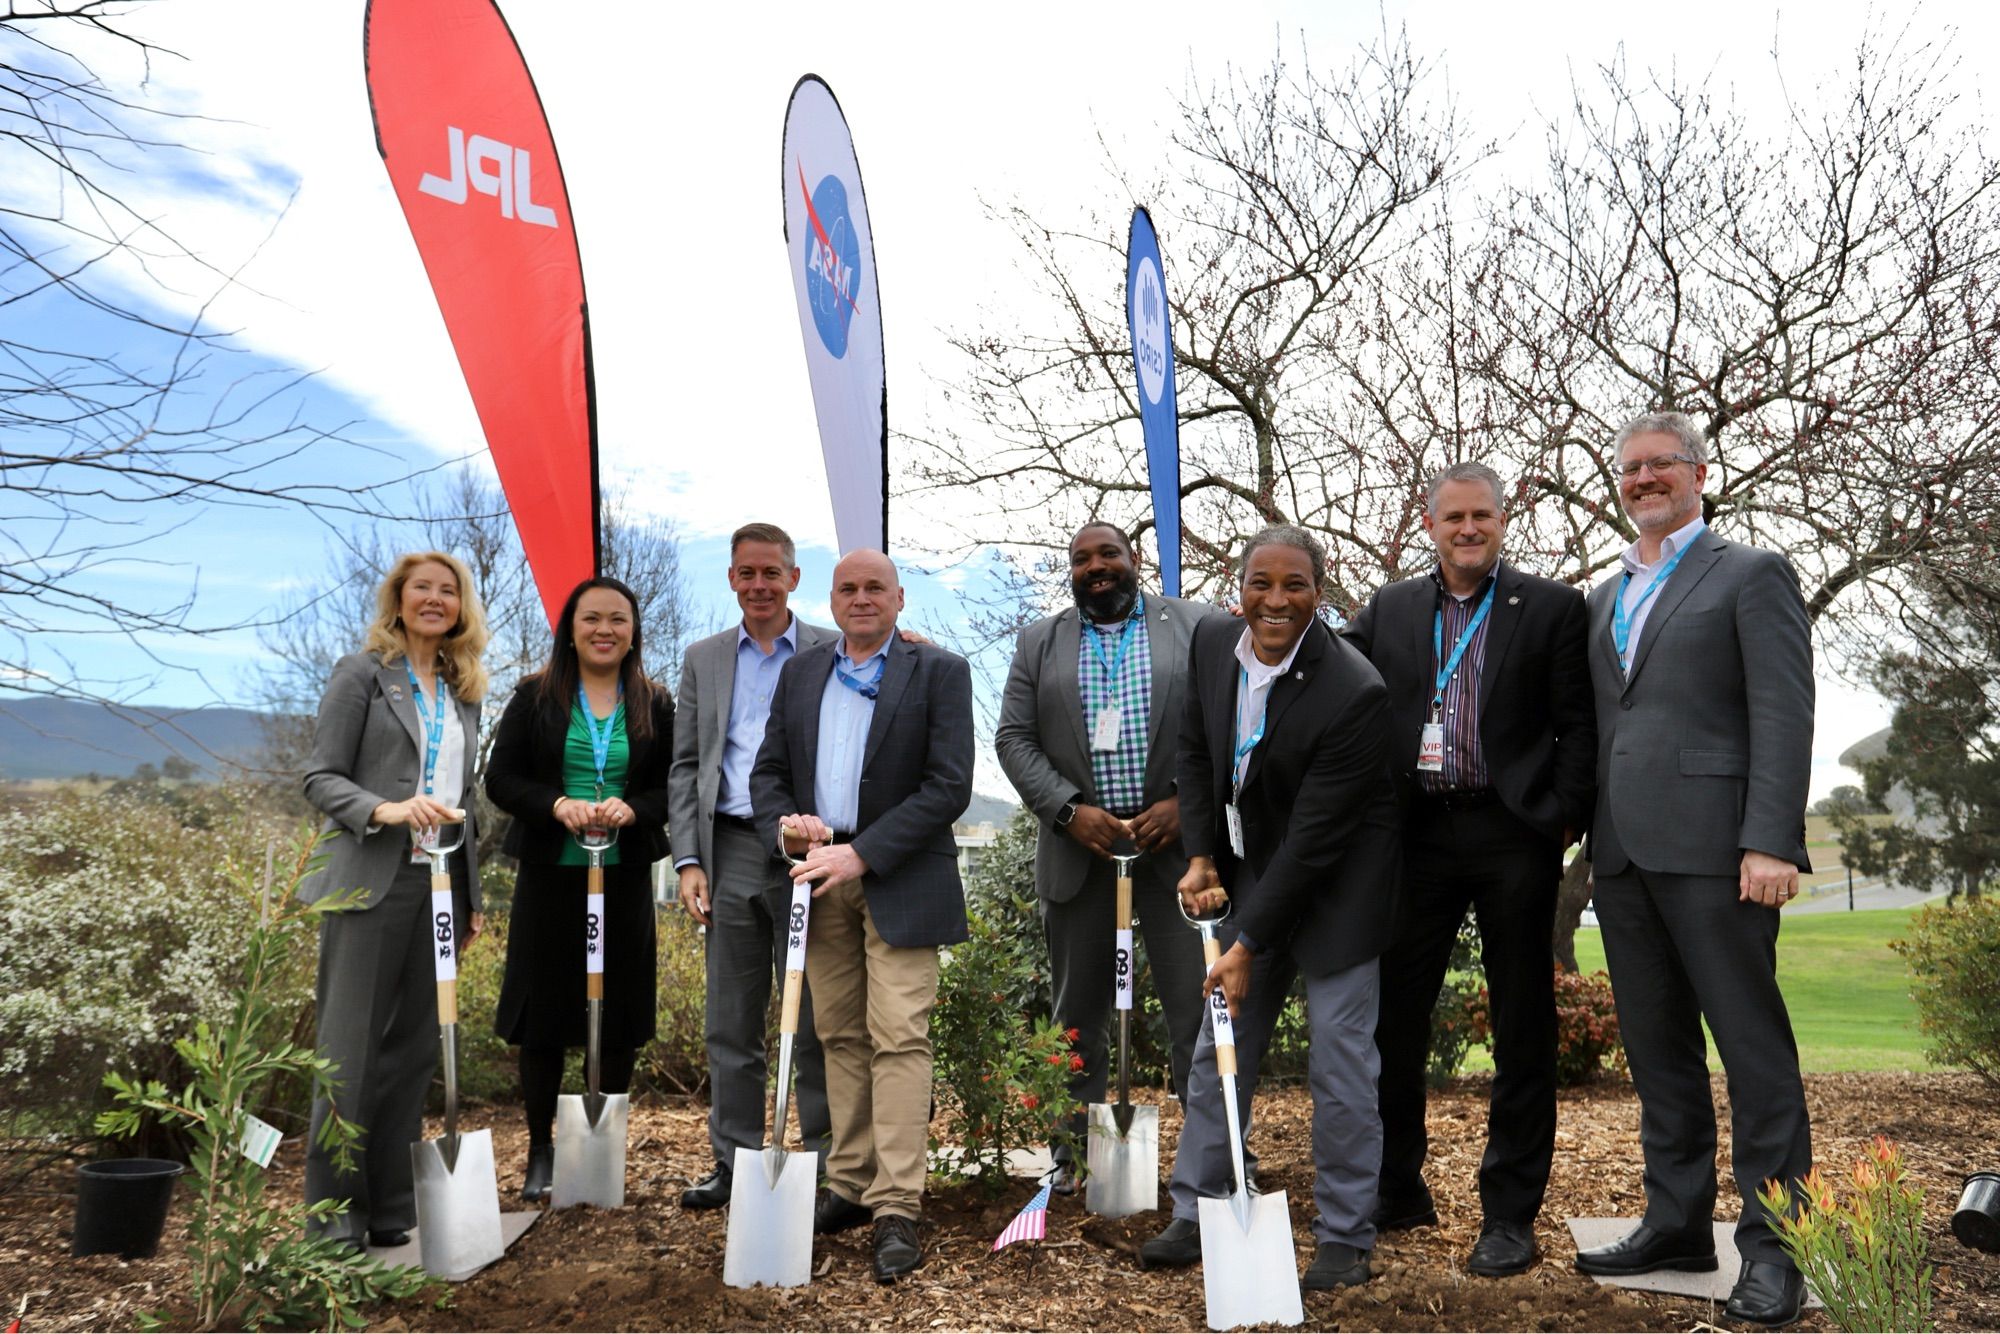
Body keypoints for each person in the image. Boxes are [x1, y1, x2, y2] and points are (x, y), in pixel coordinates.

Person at [1574, 411, 1814, 1327]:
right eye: (1630, 469)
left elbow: (1783, 711)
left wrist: (1770, 840)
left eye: (1660, 465)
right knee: (1660, 1055)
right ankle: (1676, 1223)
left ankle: (1778, 1248)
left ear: (1700, 472)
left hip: (1722, 857)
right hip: (1625, 859)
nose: (1643, 480)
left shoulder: (1750, 574)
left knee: (1753, 1053)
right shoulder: (1603, 596)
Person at [1343, 462, 1595, 1277]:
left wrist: (1559, 816)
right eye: (1453, 517)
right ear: (1429, 524)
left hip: (1511, 831)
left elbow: (1578, 727)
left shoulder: (1553, 607)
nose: (1468, 529)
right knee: (1394, 1020)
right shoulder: (1390, 608)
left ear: (1502, 519)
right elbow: (1316, 660)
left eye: (1482, 515)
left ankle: (1510, 1215)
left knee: (1522, 1024)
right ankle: (1397, 1187)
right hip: (1416, 836)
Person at [1140, 525, 1400, 1292]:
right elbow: (1195, 750)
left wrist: (1246, 945)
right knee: (1219, 1047)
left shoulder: (1354, 690)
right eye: (1262, 583)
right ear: (1240, 586)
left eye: (1295, 586)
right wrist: (1198, 856)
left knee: (1341, 1063)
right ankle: (1198, 1206)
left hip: (1339, 889)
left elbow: (1317, 841)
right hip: (1256, 872)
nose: (1276, 601)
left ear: (1320, 593)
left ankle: (1348, 1233)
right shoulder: (1215, 642)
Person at [751, 549, 974, 1284]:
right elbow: (769, 773)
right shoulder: (803, 671)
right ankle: (849, 1182)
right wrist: (787, 827)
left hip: (900, 878)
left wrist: (863, 854)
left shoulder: (938, 673)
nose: (861, 598)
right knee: (837, 1035)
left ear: (900, 598)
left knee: (900, 1038)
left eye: (875, 587)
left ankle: (897, 1206)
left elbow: (948, 788)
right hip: (818, 880)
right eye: (847, 588)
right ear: (832, 598)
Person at [994, 521, 1219, 1189]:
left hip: (1174, 854)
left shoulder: (1197, 627)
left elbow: (1227, 723)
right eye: (1082, 559)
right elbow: (1013, 738)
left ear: (1134, 559)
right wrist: (1066, 811)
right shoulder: (1041, 642)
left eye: (1108, 555)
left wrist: (1188, 802)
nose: (1096, 567)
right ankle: (1072, 1159)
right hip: (1081, 854)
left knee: (1196, 1012)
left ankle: (1217, 1157)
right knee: (1076, 1019)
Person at [300, 551, 490, 1254]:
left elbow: (463, 804)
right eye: (422, 589)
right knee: (347, 1055)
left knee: (412, 1052)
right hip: (367, 882)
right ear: (399, 599)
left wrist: (469, 895)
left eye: (448, 591)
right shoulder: (362, 674)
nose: (435, 599)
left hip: (436, 886)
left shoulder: (462, 689)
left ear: (461, 607)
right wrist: (384, 809)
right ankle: (332, 1216)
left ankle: (389, 1208)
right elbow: (320, 777)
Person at [486, 576, 676, 1201]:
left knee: (617, 1013)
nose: (604, 630)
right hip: (550, 878)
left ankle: (601, 1147)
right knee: (543, 1015)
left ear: (633, 632)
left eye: (618, 619)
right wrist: (557, 802)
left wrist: (633, 808)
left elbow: (673, 786)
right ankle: (541, 1151)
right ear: (570, 628)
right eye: (591, 618)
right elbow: (502, 779)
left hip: (620, 879)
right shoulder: (535, 696)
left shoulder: (655, 702)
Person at [667, 523, 834, 1209]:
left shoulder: (833, 647)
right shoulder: (704, 659)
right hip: (730, 849)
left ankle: (826, 1167)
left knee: (820, 1020)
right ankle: (734, 1164)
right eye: (746, 573)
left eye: (772, 572)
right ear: (731, 579)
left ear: (795, 578)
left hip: (813, 854)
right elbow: (683, 766)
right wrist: (687, 861)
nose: (759, 585)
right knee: (730, 1023)